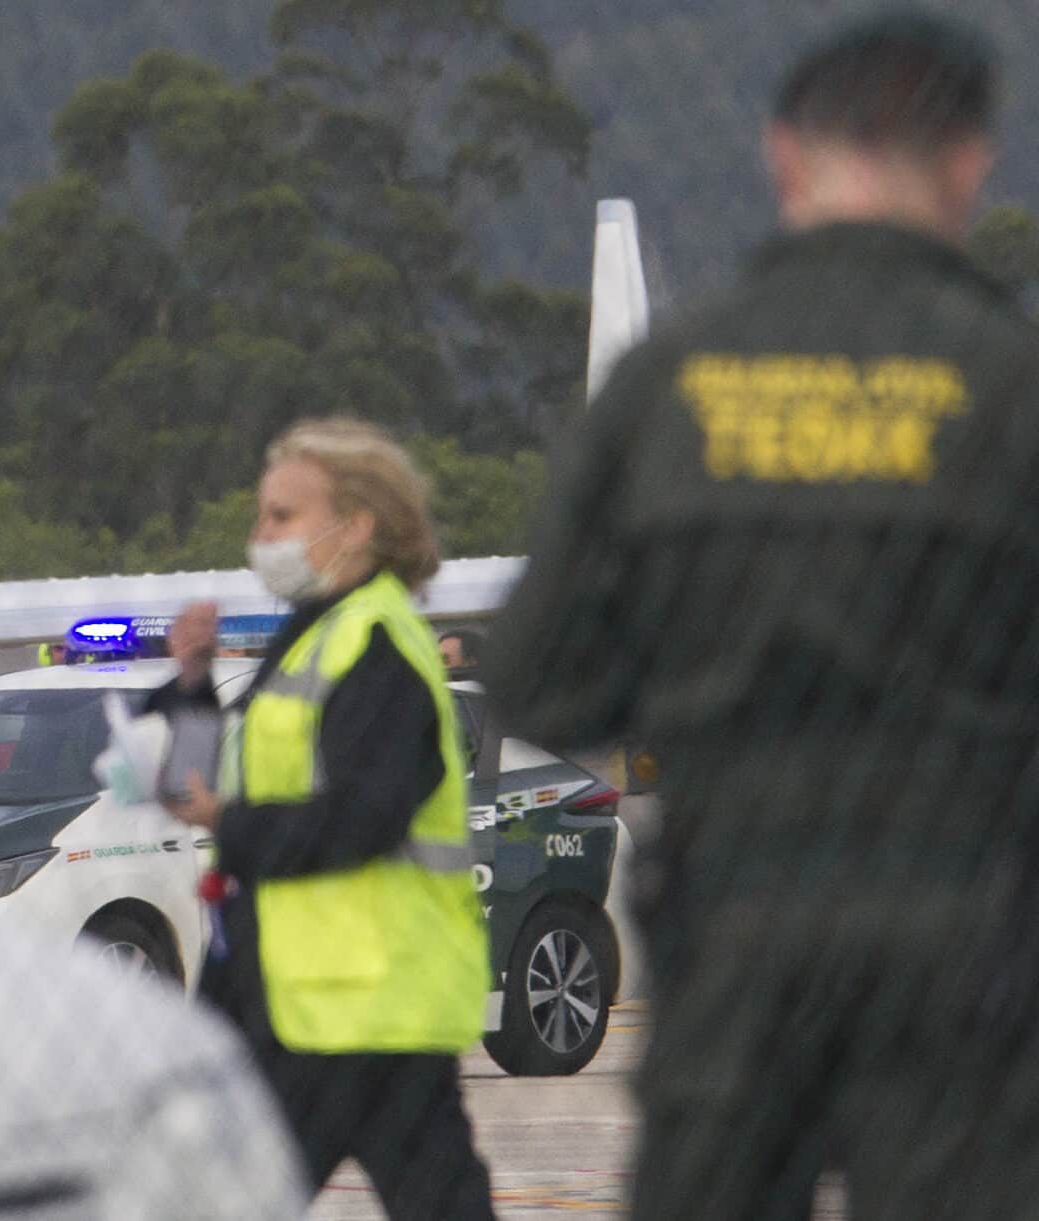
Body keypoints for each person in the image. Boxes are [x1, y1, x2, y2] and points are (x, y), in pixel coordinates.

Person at [486, 13, 1039, 1218]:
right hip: (965, 929)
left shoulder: (666, 382)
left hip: (737, 916)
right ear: (967, 165)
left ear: (781, 157)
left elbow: (536, 680)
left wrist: (703, 679)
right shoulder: (1007, 382)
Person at [151, 418, 493, 1219]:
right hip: (310, 996)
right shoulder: (316, 633)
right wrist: (194, 685)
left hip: (354, 1002)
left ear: (358, 526)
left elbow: (362, 815)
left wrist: (226, 822)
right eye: (261, 515)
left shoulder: (376, 645)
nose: (259, 536)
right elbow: (202, 786)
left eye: (281, 516)